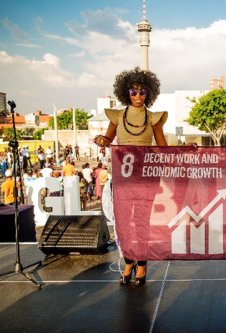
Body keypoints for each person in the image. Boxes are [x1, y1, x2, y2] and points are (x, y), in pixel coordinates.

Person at [95, 67, 168, 286]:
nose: (137, 96)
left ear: (149, 94)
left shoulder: (153, 118)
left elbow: (164, 147)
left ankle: (142, 264)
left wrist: (185, 149)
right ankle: (128, 261)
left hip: (145, 178)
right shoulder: (117, 116)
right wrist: (101, 140)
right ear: (126, 92)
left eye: (142, 92)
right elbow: (107, 140)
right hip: (123, 179)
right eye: (133, 91)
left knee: (142, 221)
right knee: (124, 222)